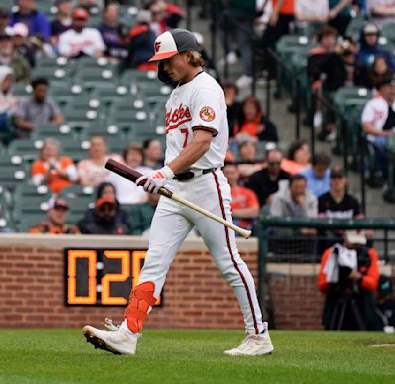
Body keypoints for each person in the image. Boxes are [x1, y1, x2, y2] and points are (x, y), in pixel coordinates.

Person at [82, 29, 273, 356]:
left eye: (168, 60)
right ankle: (129, 334)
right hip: (175, 189)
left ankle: (258, 335)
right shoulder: (175, 95)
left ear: (188, 55)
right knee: (152, 263)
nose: (164, 67)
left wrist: (164, 172)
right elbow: (178, 147)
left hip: (205, 184)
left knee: (229, 263)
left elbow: (202, 142)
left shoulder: (206, 87)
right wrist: (164, 175)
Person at [318, 230, 380, 330]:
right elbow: (321, 285)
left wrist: (358, 278)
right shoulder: (332, 253)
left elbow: (373, 284)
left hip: (362, 305)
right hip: (336, 304)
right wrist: (335, 277)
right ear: (344, 236)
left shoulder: (369, 254)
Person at [361, 75, 395, 181]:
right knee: (380, 144)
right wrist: (384, 133)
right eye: (389, 87)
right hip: (382, 136)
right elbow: (366, 126)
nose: (392, 90)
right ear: (382, 88)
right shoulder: (373, 104)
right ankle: (384, 174)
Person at [225, 162, 259, 229]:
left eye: (232, 173)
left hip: (246, 227)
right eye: (227, 173)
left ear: (237, 174)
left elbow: (254, 212)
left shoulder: (248, 192)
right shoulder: (218, 194)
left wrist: (230, 212)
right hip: (226, 226)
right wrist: (242, 212)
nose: (230, 176)